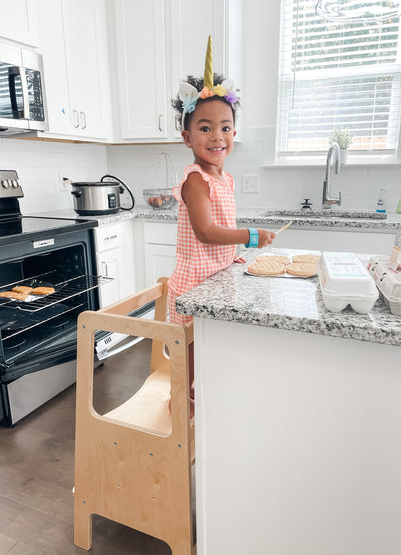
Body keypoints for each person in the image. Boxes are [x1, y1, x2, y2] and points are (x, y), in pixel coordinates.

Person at [168, 36, 276, 415]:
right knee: (191, 354)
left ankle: (201, 402)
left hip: (214, 277)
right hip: (195, 282)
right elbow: (206, 233)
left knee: (210, 348)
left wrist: (234, 257)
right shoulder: (195, 179)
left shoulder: (223, 179)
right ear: (187, 136)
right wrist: (250, 237)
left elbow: (220, 235)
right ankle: (180, 406)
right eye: (205, 128)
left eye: (226, 127)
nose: (218, 136)